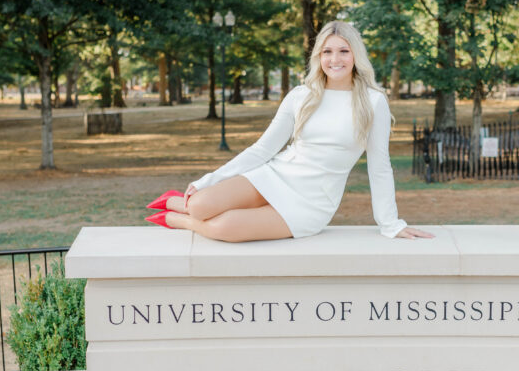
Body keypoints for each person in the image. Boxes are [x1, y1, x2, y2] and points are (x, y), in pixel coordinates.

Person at [145, 21, 433, 243]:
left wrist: (390, 224)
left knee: (224, 227)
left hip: (311, 202)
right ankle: (181, 205)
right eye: (327, 52)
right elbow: (263, 149)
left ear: (355, 55)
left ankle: (179, 219)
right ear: (318, 56)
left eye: (344, 51)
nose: (336, 59)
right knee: (200, 205)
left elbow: (379, 166)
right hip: (275, 176)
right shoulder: (301, 95)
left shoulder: (373, 102)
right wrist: (210, 179)